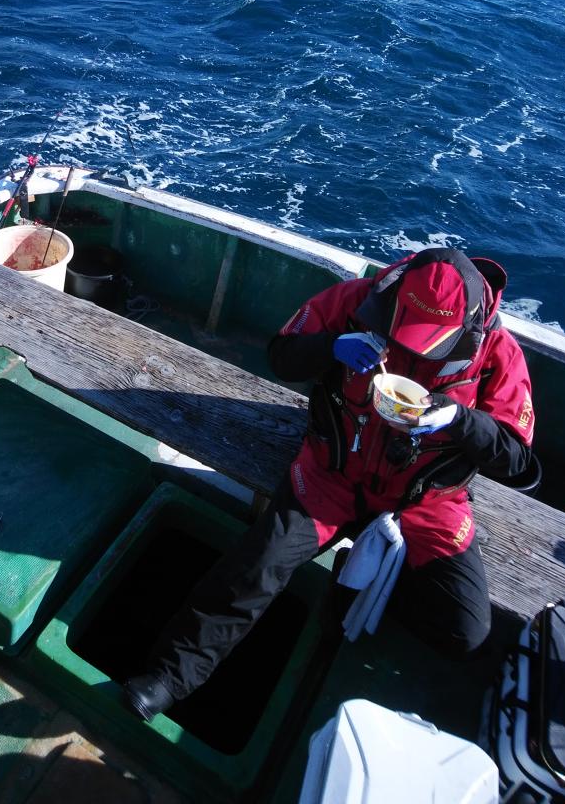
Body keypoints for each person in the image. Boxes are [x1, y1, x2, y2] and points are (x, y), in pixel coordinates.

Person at [122, 246, 535, 721]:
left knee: (466, 632)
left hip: (425, 499)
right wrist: (331, 347)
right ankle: (170, 676)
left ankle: (356, 584)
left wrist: (460, 421)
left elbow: (518, 460)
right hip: (333, 475)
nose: (412, 349)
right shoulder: (357, 300)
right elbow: (281, 356)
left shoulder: (497, 352)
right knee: (257, 566)